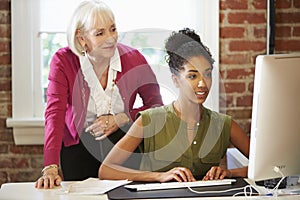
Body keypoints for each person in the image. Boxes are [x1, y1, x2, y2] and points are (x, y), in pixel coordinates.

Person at [34, 0, 163, 189]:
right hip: (78, 149)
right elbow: (54, 114)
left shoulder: (134, 59)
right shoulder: (63, 61)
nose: (111, 38)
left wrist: (122, 117)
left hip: (125, 146)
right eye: (100, 33)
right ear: (81, 38)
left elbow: (157, 107)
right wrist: (50, 166)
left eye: (113, 29)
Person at [99, 28, 250, 183]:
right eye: (192, 76)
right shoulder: (149, 120)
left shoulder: (223, 124)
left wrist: (230, 173)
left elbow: (270, 166)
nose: (202, 83)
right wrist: (159, 176)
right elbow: (107, 169)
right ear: (176, 80)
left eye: (207, 74)